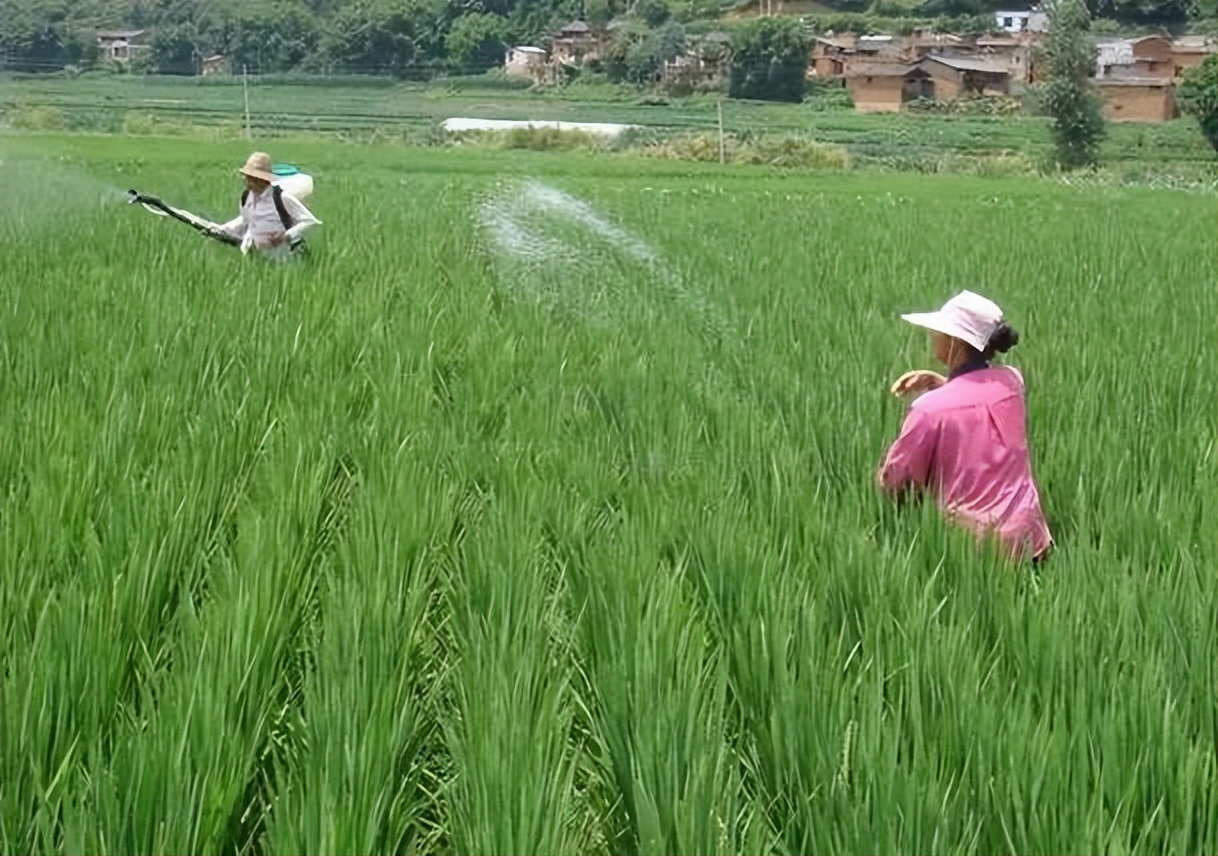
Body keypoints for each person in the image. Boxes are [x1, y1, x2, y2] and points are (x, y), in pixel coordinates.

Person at [877, 289, 1053, 564]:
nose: (934, 336)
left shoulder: (928, 410)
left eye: (940, 331)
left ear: (956, 342)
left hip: (975, 554)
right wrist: (944, 384)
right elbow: (977, 401)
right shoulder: (1012, 383)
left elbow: (897, 482)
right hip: (1030, 541)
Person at [213, 152, 321, 257]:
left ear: (263, 179)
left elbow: (310, 221)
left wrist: (286, 236)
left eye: (252, 178)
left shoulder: (281, 198)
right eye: (247, 177)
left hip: (281, 259)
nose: (248, 182)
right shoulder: (247, 197)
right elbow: (246, 220)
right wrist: (223, 229)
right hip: (254, 256)